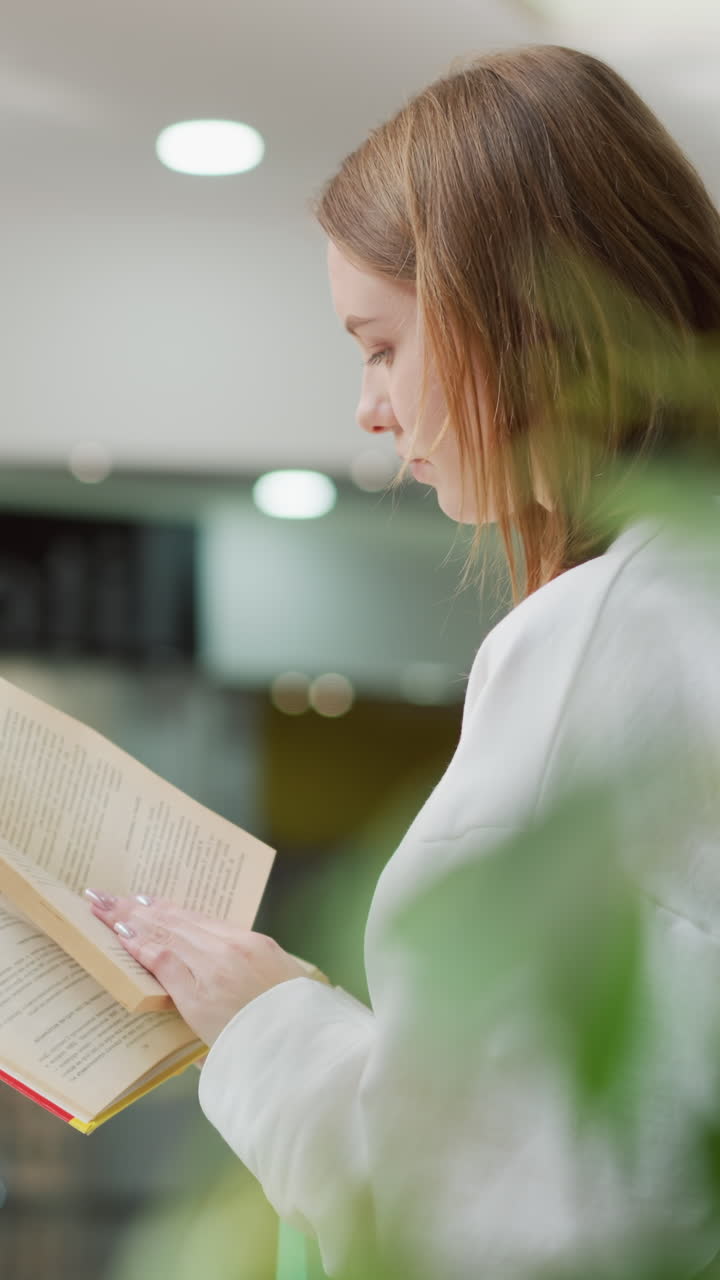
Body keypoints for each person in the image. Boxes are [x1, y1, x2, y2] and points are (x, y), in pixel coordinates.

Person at [85, 44, 720, 1280]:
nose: (370, 408)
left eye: (380, 344)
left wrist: (270, 1023)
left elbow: (494, 1208)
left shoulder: (604, 634)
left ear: (515, 318)